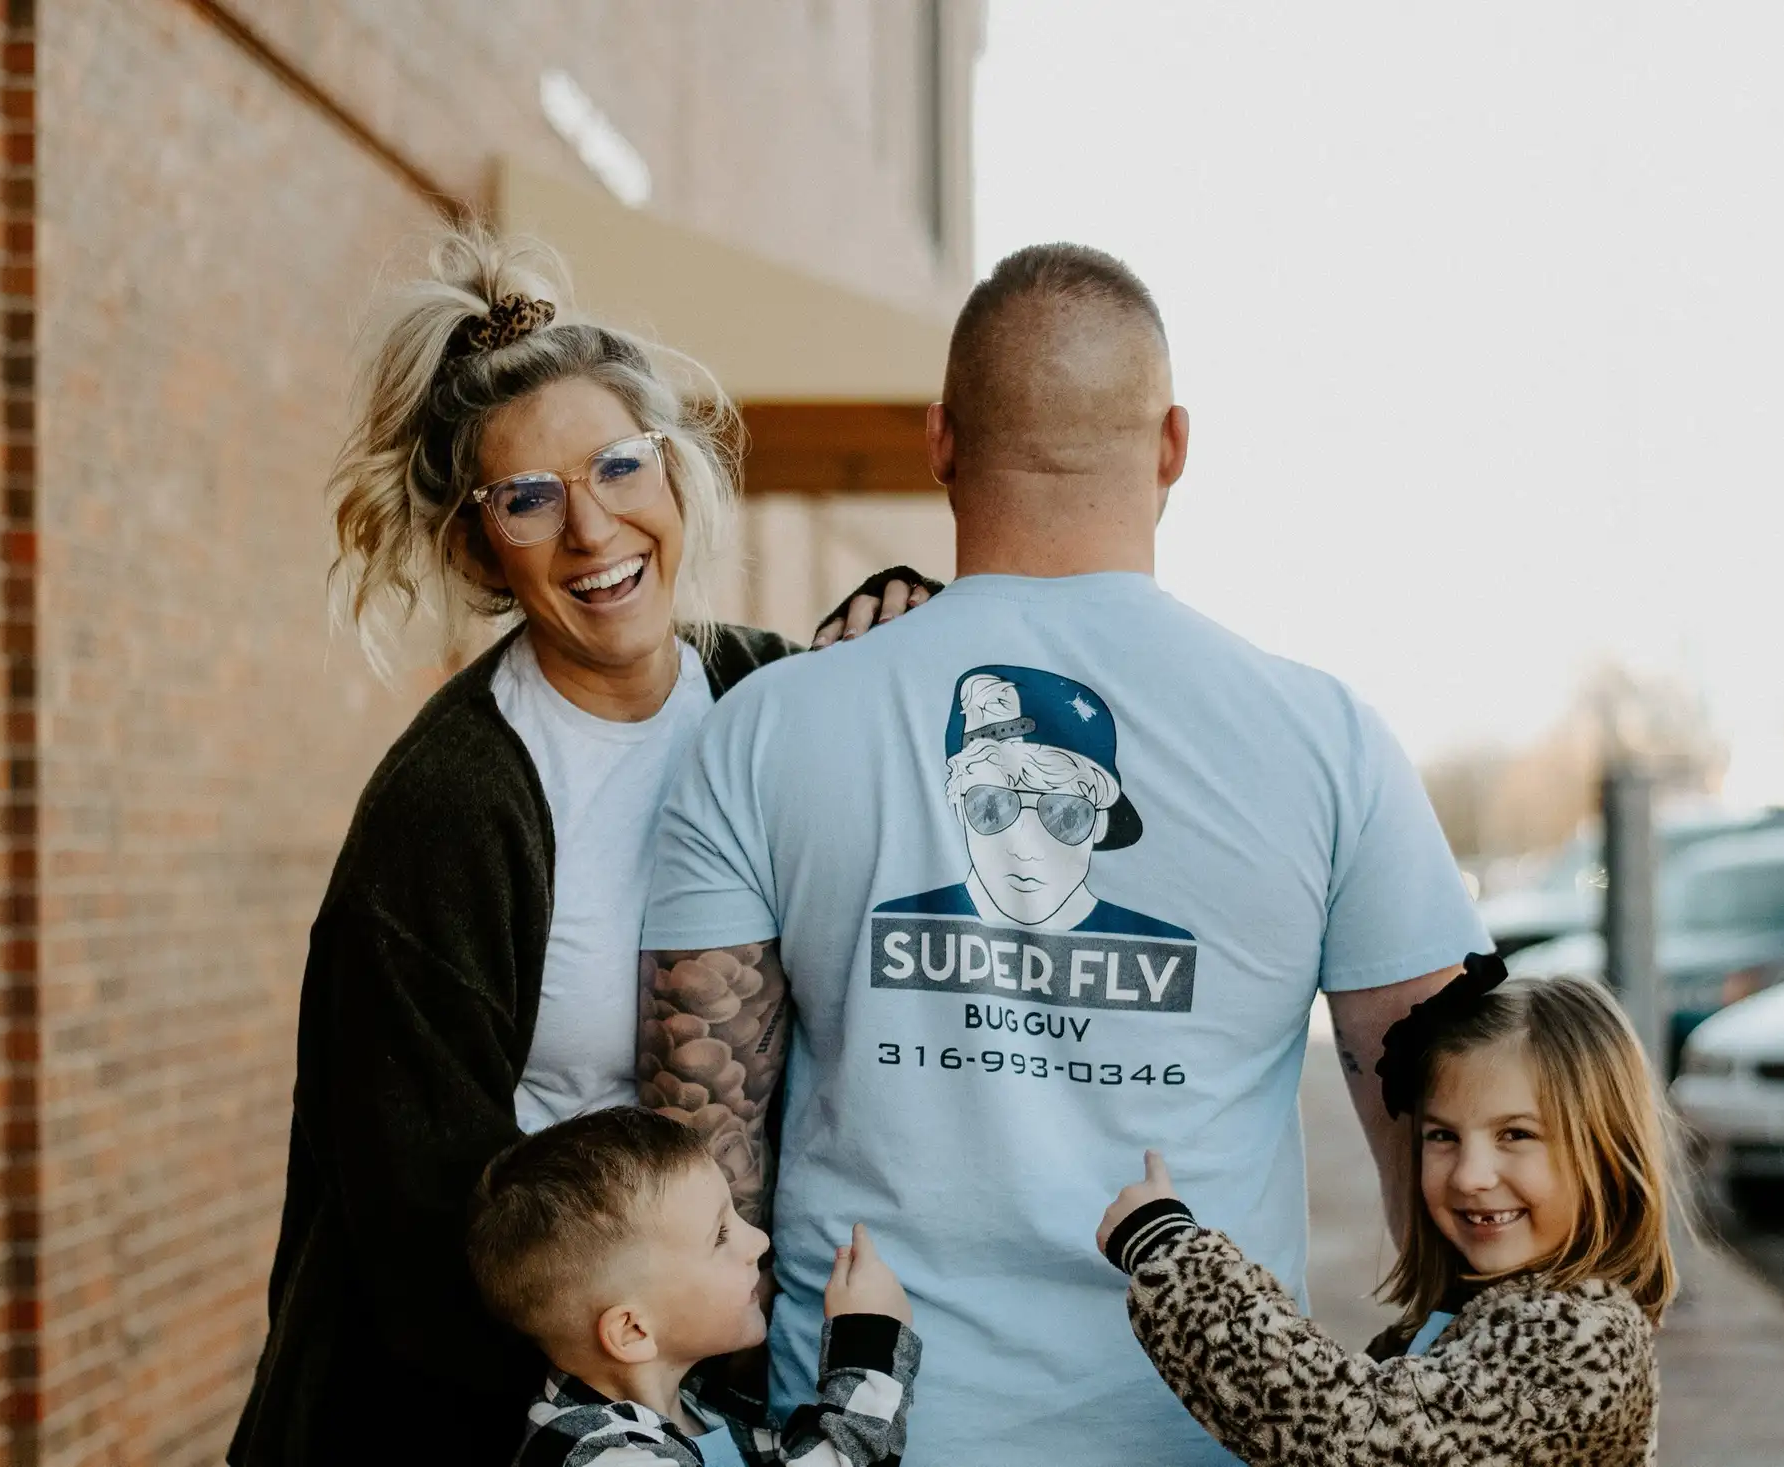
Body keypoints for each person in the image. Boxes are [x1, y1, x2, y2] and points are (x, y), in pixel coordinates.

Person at [637, 242, 1490, 1462]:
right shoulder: (1325, 740)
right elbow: (1469, 1127)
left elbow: (695, 1152)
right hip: (1203, 1430)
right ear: (1174, 446)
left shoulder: (766, 727)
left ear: (940, 441)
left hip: (860, 1429)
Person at [229, 228, 932, 1467]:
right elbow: (419, 1231)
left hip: (706, 1390)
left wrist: (906, 625)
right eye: (530, 498)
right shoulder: (448, 811)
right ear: (475, 544)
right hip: (490, 1417)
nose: (592, 530)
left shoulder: (772, 693)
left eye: (617, 467)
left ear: (674, 472)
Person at [1096, 964, 1677, 1466]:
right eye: (1443, 1136)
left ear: (1606, 1152)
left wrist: (1175, 1260)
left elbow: (1359, 1438)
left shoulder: (1581, 1340)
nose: (1470, 1174)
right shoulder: (1474, 1318)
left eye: (1516, 1134)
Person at [465, 1108, 920, 1467]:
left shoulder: (703, 1411)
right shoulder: (595, 1453)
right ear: (633, 1331)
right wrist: (869, 1356)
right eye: (720, 1236)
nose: (758, 1242)